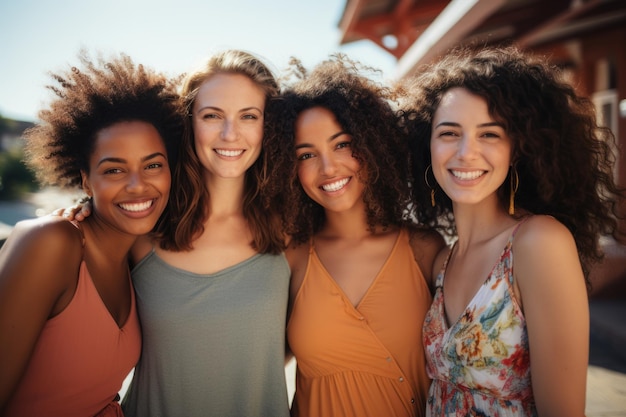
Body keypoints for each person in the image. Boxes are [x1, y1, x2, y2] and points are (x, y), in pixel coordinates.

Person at [402, 46, 624, 416]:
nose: (465, 152)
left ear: (518, 148)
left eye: (489, 134)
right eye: (449, 133)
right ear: (427, 145)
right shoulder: (443, 260)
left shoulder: (538, 243)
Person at [0, 51, 181, 417]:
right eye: (114, 170)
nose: (137, 185)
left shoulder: (139, 256)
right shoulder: (51, 242)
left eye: (153, 165)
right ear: (86, 179)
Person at [264, 54, 445, 417]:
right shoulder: (291, 255)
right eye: (306, 155)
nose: (328, 167)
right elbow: (258, 360)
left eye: (342, 144)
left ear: (373, 144)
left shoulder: (424, 248)